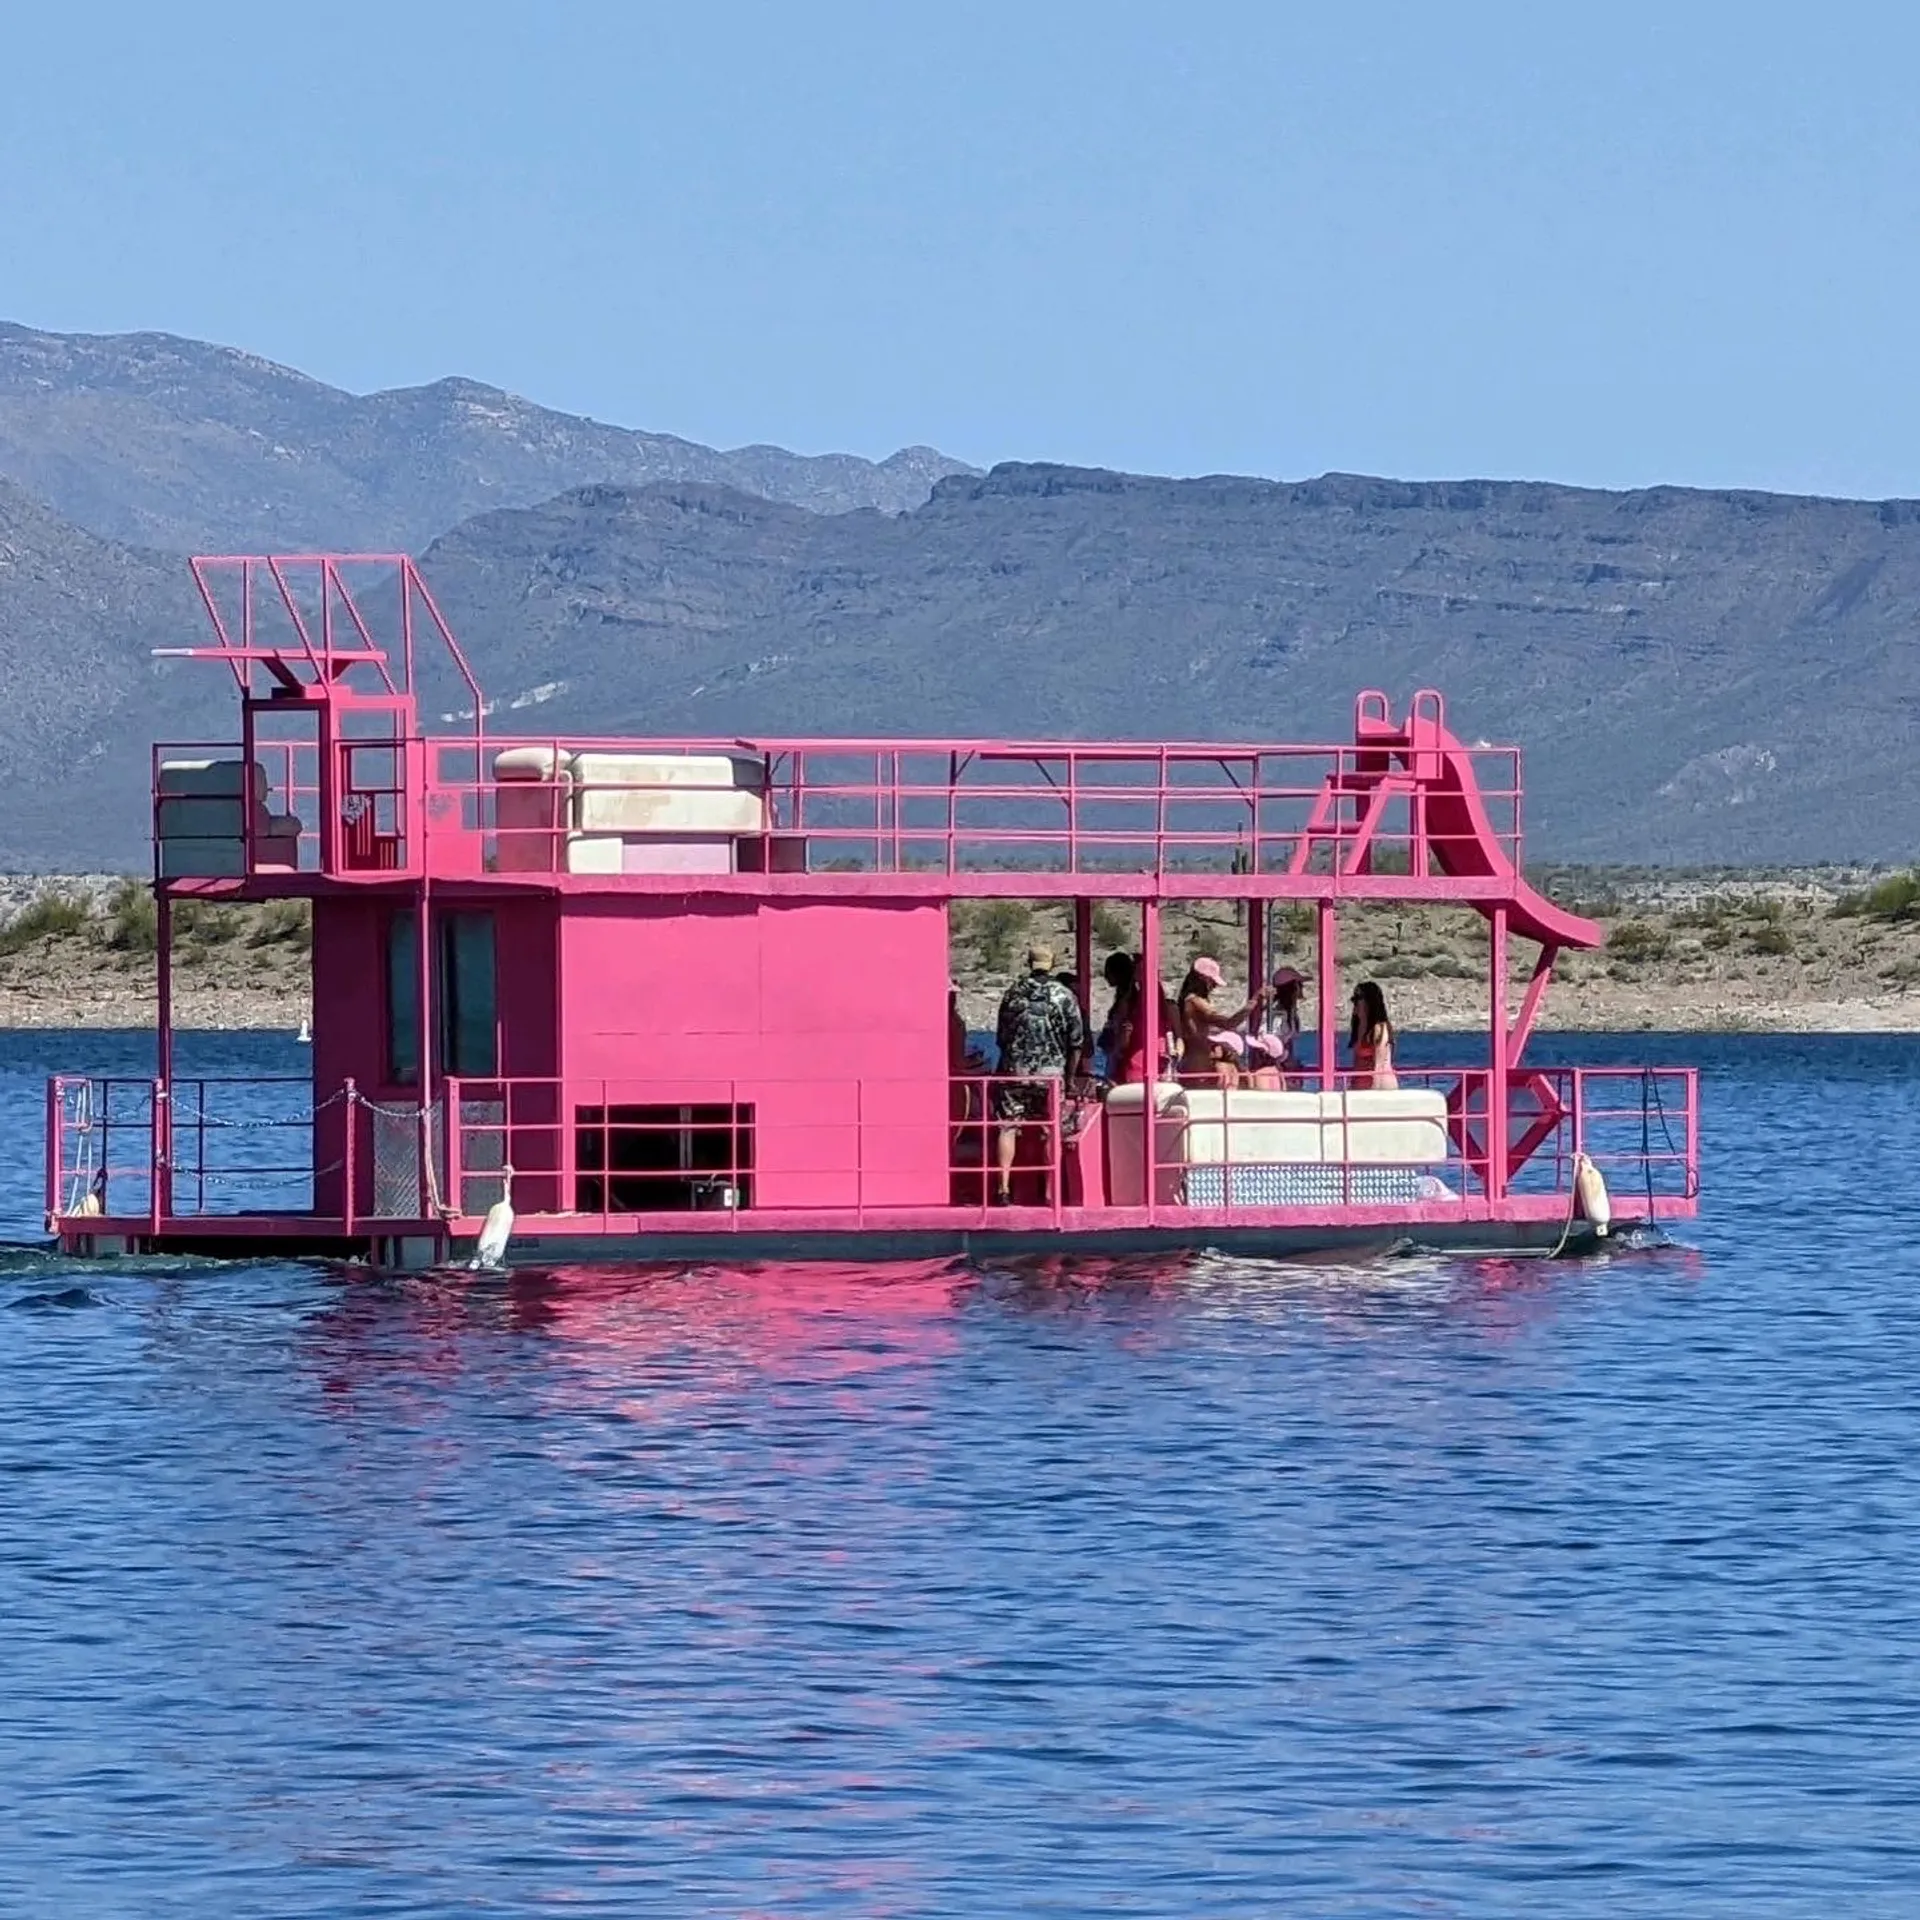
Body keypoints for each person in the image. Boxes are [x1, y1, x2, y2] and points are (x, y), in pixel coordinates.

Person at [992, 943, 1087, 1203]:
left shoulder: (1013, 994)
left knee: (1008, 1126)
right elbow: (1076, 1042)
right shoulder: (1064, 995)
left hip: (1016, 1071)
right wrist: (1069, 1077)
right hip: (1051, 1074)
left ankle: (1003, 1188)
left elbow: (1001, 1037)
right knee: (1049, 1128)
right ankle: (1049, 1192)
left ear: (1029, 963)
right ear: (1052, 964)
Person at [1176, 955, 1267, 1085]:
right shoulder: (1195, 1002)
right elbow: (1228, 1023)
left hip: (1194, 1061)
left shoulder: (1188, 1001)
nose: (1214, 987)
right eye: (1212, 982)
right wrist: (1253, 1002)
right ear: (1203, 979)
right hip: (1198, 1064)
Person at [1348, 980, 1399, 1089]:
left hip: (1380, 1086)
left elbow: (1379, 1067)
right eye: (1354, 999)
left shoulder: (1379, 1028)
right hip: (1361, 1087)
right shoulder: (1359, 1027)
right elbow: (1357, 1065)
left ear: (1370, 1001)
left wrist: (1374, 1094)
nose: (1354, 1002)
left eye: (1358, 998)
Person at [1258, 966, 1306, 1077]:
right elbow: (1266, 1040)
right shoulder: (1275, 1014)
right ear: (1293, 988)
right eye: (1299, 984)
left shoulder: (1289, 1012)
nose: (1302, 987)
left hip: (1286, 1065)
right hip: (1278, 1066)